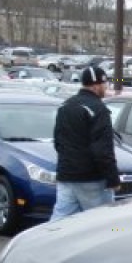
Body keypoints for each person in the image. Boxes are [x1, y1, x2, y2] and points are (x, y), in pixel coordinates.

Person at [50, 65, 120, 221]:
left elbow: (58, 142)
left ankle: (45, 243)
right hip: (91, 179)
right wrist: (113, 179)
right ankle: (112, 245)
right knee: (105, 222)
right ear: (96, 85)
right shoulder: (98, 109)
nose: (106, 87)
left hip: (66, 176)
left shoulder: (65, 106)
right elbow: (103, 149)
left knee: (60, 222)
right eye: (104, 84)